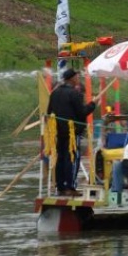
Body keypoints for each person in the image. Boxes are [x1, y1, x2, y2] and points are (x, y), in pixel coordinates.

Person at [47, 68, 97, 196]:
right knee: (72, 158)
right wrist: (92, 104)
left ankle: (60, 186)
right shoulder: (75, 94)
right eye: (76, 77)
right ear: (72, 78)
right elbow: (82, 112)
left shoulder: (54, 93)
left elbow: (49, 112)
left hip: (58, 132)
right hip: (72, 132)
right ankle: (70, 187)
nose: (78, 79)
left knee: (61, 158)